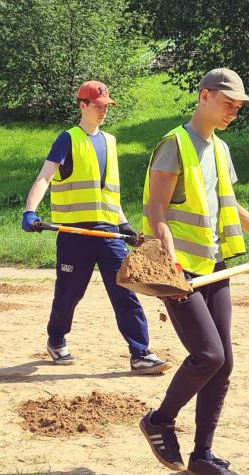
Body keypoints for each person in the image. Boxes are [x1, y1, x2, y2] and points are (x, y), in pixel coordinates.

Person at [137, 68, 249, 475]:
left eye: (239, 107)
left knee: (223, 365)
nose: (234, 112)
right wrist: (169, 262)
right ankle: (159, 421)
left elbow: (230, 204)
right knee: (208, 355)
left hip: (216, 266)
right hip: (180, 272)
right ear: (205, 96)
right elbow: (155, 212)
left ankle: (202, 456)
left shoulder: (221, 150)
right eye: (229, 104)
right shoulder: (173, 145)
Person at [21, 80, 170, 375]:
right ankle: (56, 338)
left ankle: (140, 352)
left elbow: (108, 193)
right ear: (83, 106)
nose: (104, 111)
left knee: (125, 290)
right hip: (74, 233)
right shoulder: (68, 139)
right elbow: (45, 177)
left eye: (107, 106)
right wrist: (30, 211)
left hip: (107, 231)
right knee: (70, 293)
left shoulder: (111, 142)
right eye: (98, 106)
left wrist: (124, 223)